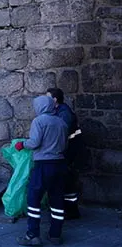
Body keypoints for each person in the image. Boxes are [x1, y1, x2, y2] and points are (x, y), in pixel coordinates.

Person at [15, 96, 68, 246]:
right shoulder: (61, 122)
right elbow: (65, 145)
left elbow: (35, 142)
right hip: (60, 164)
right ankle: (55, 235)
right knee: (57, 199)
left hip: (43, 165)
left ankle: (32, 235)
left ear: (40, 107)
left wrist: (22, 144)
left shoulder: (39, 121)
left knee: (33, 198)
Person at [46, 88, 88, 220]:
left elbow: (62, 133)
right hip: (67, 151)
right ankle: (67, 208)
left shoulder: (64, 113)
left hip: (69, 152)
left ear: (54, 100)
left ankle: (70, 210)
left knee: (67, 182)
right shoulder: (60, 111)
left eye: (48, 98)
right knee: (66, 181)